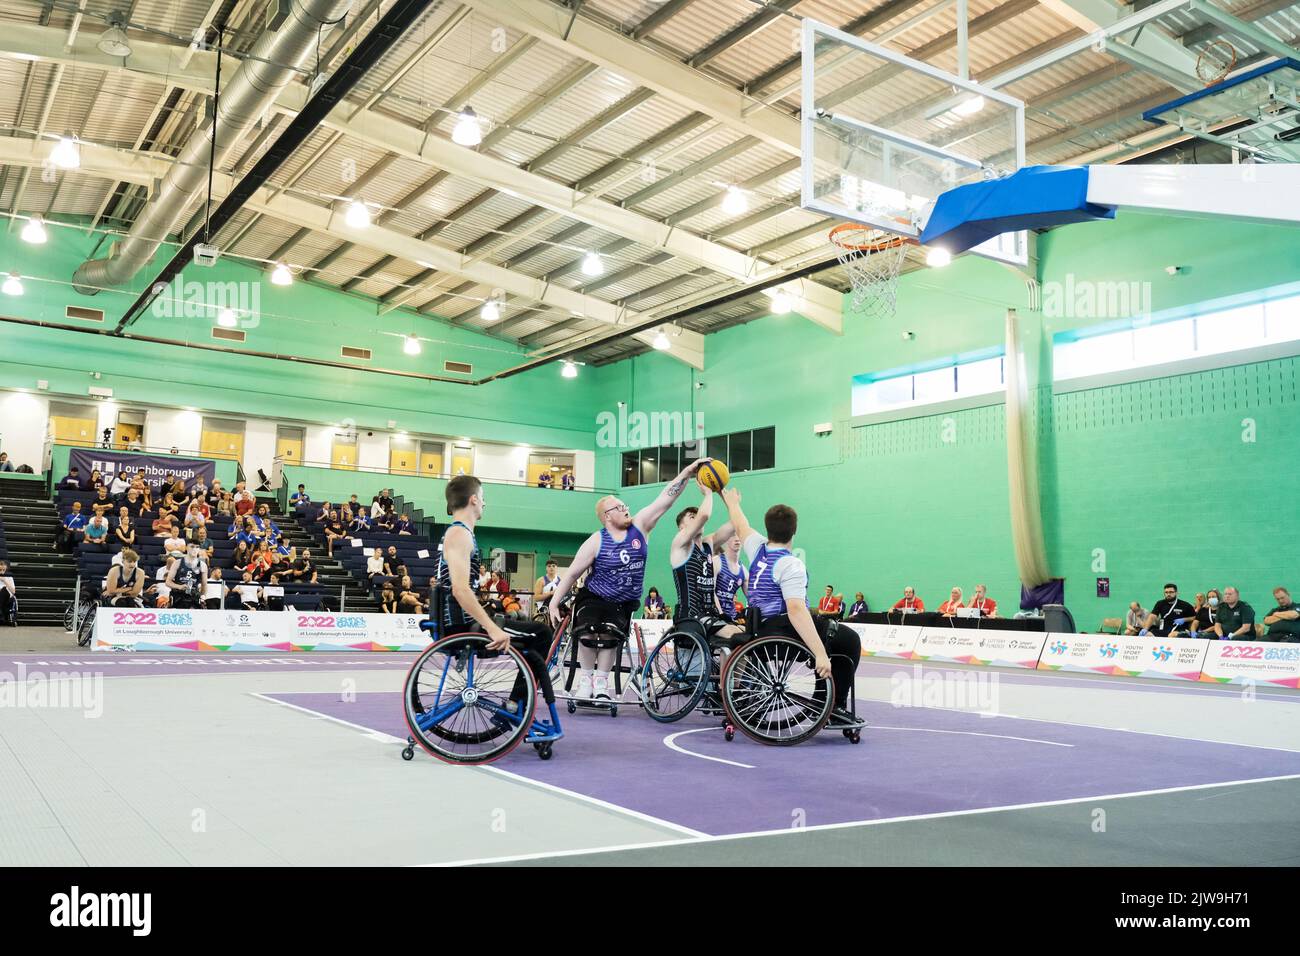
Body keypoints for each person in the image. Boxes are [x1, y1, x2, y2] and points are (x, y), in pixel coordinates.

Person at [548, 457, 707, 702]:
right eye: (618, 507)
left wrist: (686, 472)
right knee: (588, 632)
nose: (625, 508)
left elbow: (666, 499)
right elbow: (571, 574)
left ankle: (602, 682)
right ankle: (585, 680)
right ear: (606, 516)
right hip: (594, 596)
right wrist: (552, 603)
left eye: (624, 504)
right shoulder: (596, 540)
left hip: (623, 602)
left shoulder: (640, 527)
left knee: (611, 634)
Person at [718, 485, 861, 720]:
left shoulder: (757, 550)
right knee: (848, 640)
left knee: (829, 633)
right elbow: (796, 610)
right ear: (794, 531)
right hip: (783, 631)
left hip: (759, 628)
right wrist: (819, 654)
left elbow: (741, 524)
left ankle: (822, 700)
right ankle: (833, 706)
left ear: (767, 529)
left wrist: (730, 501)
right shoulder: (790, 564)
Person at [434, 474, 556, 715]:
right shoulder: (459, 534)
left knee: (528, 627)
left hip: (460, 620)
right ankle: (515, 704)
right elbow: (459, 590)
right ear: (473, 500)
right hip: (461, 625)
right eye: (483, 498)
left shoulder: (462, 534)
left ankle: (517, 703)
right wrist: (491, 627)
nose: (485, 503)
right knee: (541, 633)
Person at [667, 480, 746, 645]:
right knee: (737, 636)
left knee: (745, 633)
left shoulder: (708, 544)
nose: (697, 518)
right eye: (691, 517)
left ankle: (728, 671)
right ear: (682, 527)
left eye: (696, 515)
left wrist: (725, 496)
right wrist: (708, 493)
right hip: (691, 617)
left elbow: (734, 525)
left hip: (710, 615)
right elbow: (704, 515)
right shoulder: (680, 544)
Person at [714, 534, 747, 623]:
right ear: (725, 539)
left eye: (738, 535)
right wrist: (721, 614)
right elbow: (710, 591)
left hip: (732, 618)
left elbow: (752, 598)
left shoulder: (744, 571)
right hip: (715, 616)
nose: (737, 539)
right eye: (732, 535)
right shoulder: (716, 562)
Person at [164, 542, 208, 609]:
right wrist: (179, 586)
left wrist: (202, 597)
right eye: (192, 547)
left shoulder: (202, 565)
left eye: (197, 547)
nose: (194, 549)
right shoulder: (177, 563)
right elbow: (168, 582)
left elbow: (204, 585)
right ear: (186, 548)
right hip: (178, 596)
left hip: (193, 596)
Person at [0, 561, 16, 625]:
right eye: (0, 570)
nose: (2, 572)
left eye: (3, 570)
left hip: (7, 598)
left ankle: (0, 614)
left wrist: (5, 581)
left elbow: (13, 591)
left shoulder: (9, 577)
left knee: (4, 589)